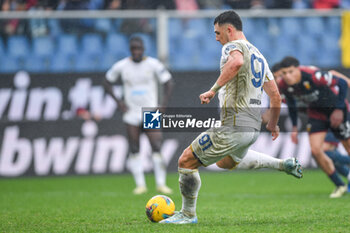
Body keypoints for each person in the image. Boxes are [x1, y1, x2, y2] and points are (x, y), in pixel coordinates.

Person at [160, 10, 302, 224]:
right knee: (225, 163)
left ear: (229, 30)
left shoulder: (232, 46)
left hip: (234, 125)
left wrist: (213, 90)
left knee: (186, 161)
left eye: (217, 33)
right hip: (252, 128)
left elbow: (235, 63)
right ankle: (283, 164)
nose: (216, 38)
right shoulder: (259, 56)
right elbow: (275, 95)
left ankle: (188, 215)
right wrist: (272, 124)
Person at [103, 36, 174, 195]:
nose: (136, 52)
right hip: (131, 113)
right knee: (134, 148)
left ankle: (161, 184)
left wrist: (163, 104)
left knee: (156, 145)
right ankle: (140, 185)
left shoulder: (153, 64)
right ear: (130, 50)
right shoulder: (122, 66)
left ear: (143, 49)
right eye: (133, 49)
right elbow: (107, 82)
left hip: (150, 112)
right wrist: (118, 102)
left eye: (138, 49)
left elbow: (169, 82)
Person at [278, 56, 350, 198]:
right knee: (316, 151)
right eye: (284, 73)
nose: (287, 76)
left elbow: (342, 83)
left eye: (291, 72)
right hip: (317, 114)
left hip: (335, 110)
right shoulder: (284, 85)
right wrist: (294, 127)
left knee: (347, 146)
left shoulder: (313, 76)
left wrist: (338, 109)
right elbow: (292, 105)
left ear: (298, 69)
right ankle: (339, 184)